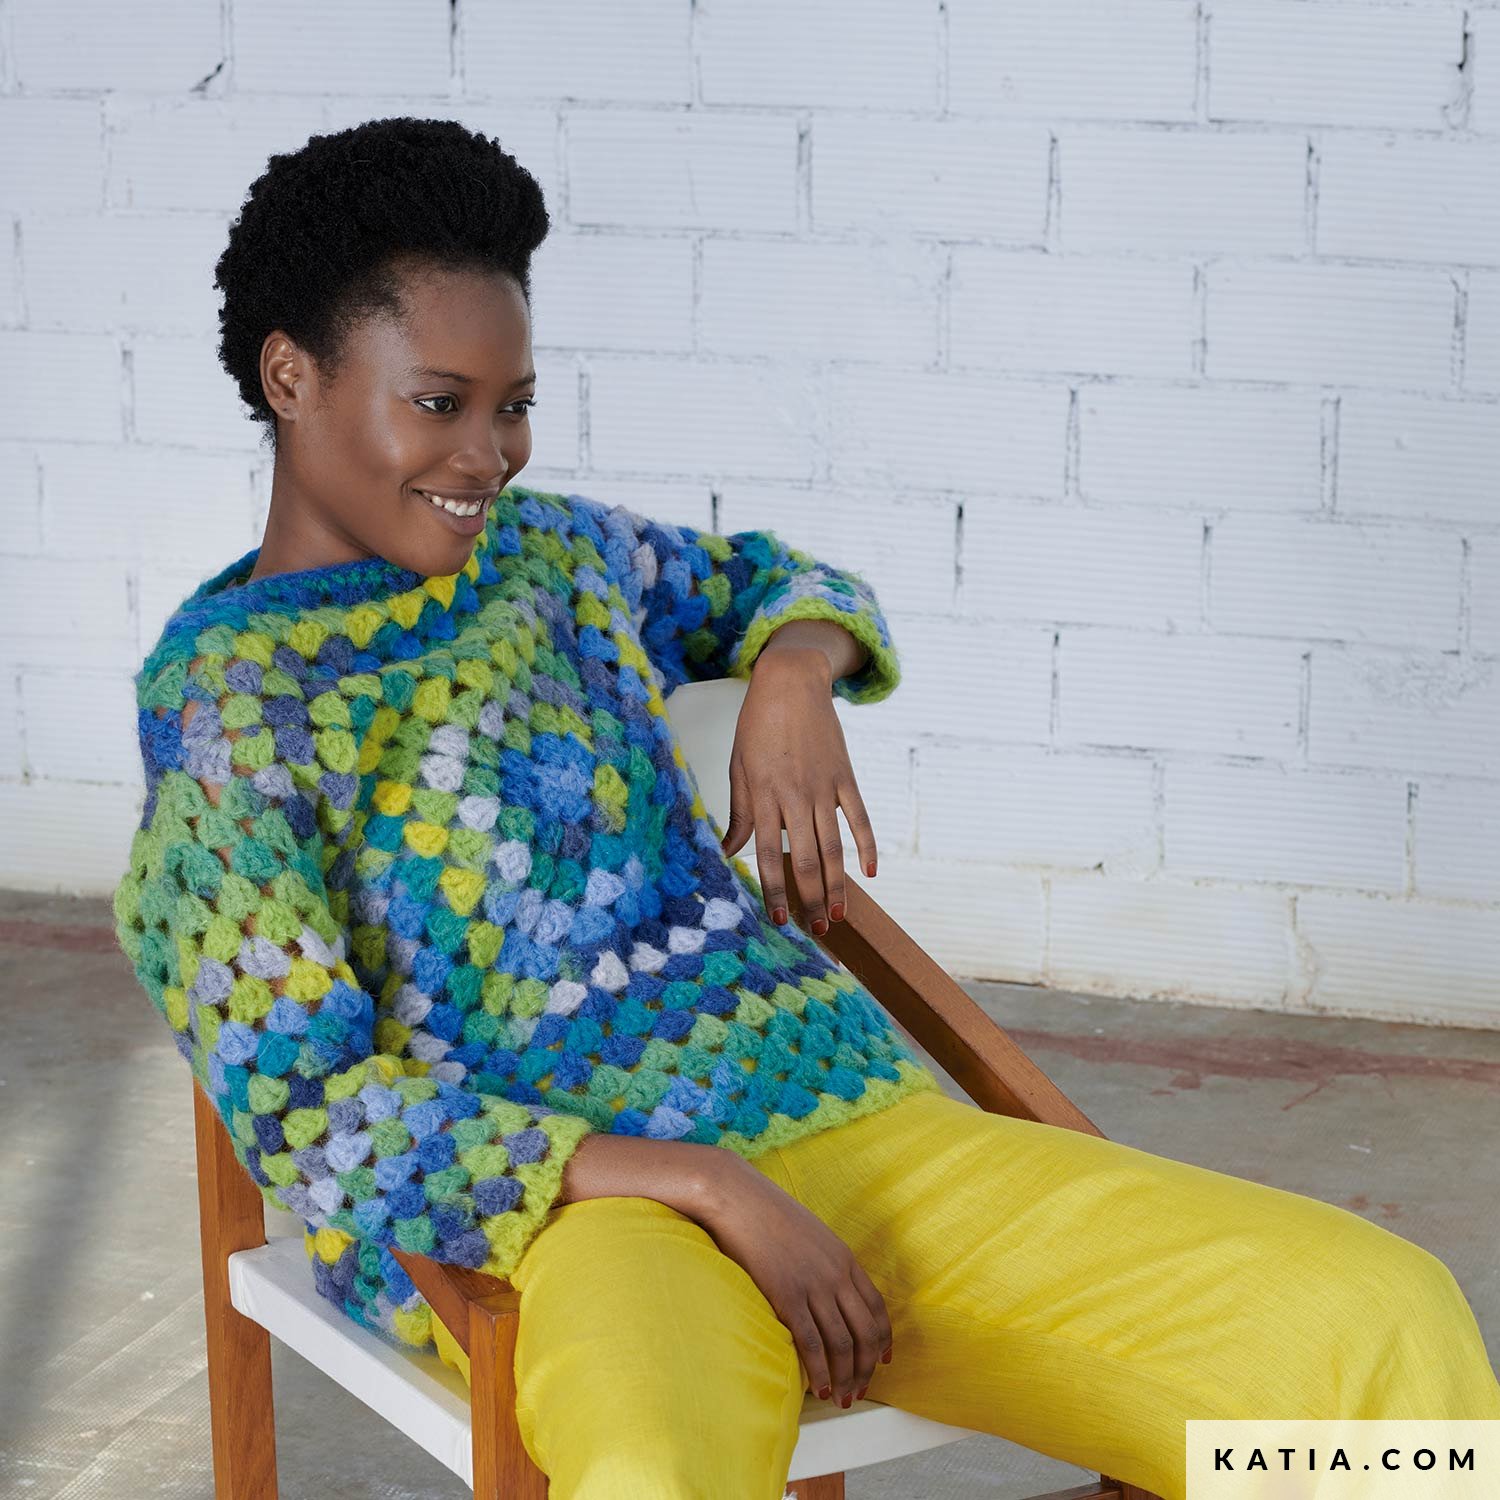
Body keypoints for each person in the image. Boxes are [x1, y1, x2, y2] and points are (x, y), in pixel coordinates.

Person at [113, 116, 1500, 1500]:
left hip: (836, 1118)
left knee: (1374, 1325)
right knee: (658, 1467)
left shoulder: (556, 559)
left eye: (513, 405)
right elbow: (312, 1113)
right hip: (564, 1218)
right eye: (441, 403)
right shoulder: (230, 714)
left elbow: (789, 583)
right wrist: (706, 1185)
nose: (489, 455)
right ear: (290, 376)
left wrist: (791, 673)